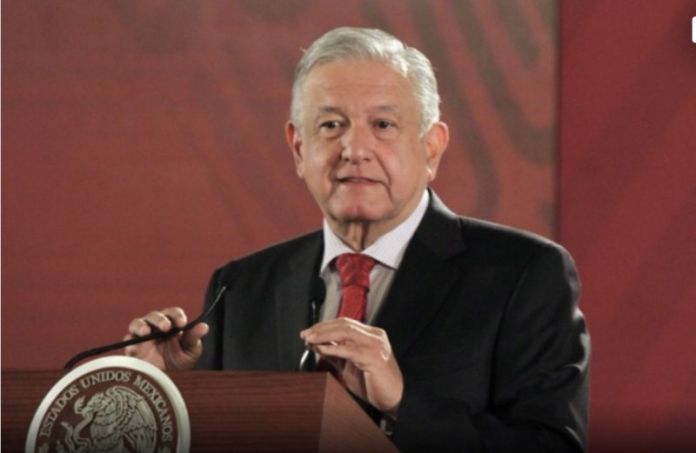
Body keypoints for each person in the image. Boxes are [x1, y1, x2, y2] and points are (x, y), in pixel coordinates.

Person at [125, 27, 589, 452]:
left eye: (383, 125)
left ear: (432, 148)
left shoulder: (523, 274)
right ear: (299, 148)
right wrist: (165, 397)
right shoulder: (240, 288)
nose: (355, 149)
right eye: (331, 125)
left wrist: (403, 402)